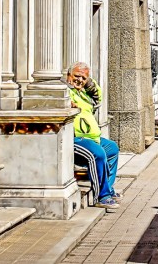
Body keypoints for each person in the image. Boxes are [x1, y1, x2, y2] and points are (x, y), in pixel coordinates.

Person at [66, 62, 121, 209]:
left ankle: (108, 189)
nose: (79, 80)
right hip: (75, 138)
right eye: (76, 76)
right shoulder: (65, 90)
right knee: (98, 154)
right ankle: (102, 196)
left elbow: (98, 97)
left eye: (83, 78)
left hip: (92, 138)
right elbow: (55, 99)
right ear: (68, 75)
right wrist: (67, 102)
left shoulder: (84, 93)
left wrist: (87, 81)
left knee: (112, 149)